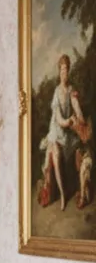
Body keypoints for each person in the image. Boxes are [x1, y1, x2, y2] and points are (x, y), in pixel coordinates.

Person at [40, 53, 87, 211]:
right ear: (59, 72)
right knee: (56, 154)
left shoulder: (71, 90)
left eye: (67, 70)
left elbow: (76, 108)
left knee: (80, 146)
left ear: (69, 71)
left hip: (68, 132)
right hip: (57, 130)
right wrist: (69, 121)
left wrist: (80, 118)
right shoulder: (56, 92)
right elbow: (59, 119)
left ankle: (81, 188)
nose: (64, 73)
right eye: (62, 70)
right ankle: (62, 194)